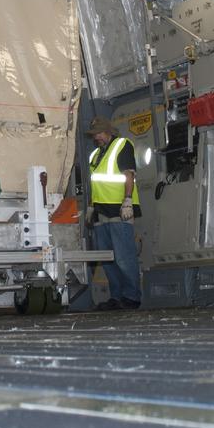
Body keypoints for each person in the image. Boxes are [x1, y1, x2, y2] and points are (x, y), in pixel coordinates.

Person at [85, 116, 141, 310]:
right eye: (94, 135)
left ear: (108, 131)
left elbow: (129, 175)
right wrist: (91, 206)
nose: (96, 138)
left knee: (124, 258)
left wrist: (127, 201)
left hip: (119, 210)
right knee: (108, 259)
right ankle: (117, 297)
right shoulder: (95, 155)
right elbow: (96, 182)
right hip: (101, 212)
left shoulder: (122, 146)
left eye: (98, 134)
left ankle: (131, 297)